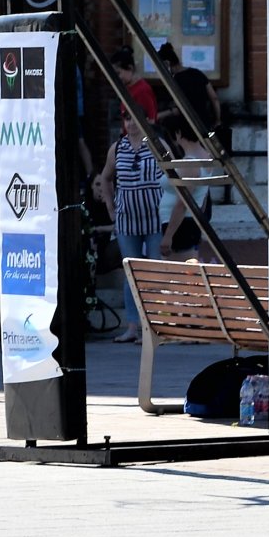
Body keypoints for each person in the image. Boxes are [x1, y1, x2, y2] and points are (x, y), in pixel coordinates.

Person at [94, 110, 164, 343]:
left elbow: (171, 172)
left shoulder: (156, 144)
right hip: (127, 219)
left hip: (154, 218)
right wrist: (111, 210)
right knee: (131, 273)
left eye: (136, 118)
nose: (132, 123)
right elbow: (105, 177)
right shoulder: (117, 148)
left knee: (153, 272)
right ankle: (133, 326)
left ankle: (152, 326)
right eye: (128, 119)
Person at [157, 112, 217, 263]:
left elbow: (183, 203)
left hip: (179, 225)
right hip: (189, 222)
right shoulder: (206, 157)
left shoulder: (190, 163)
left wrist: (168, 236)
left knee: (178, 275)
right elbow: (202, 198)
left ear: (178, 133)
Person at [155, 42, 222, 136]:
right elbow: (214, 98)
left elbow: (178, 110)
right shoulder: (197, 73)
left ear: (167, 63)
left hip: (187, 129)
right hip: (205, 125)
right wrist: (218, 121)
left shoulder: (175, 82)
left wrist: (158, 116)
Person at [110, 45, 159, 122]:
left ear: (130, 68)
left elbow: (150, 121)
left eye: (118, 73)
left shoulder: (142, 91)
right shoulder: (130, 88)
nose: (116, 78)